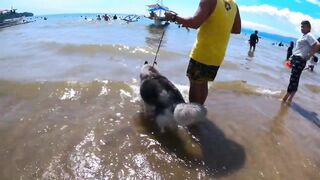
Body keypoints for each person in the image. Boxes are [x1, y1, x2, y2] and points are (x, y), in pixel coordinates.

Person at [164, 0, 241, 105]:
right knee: (203, 82)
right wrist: (218, 24)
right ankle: (199, 110)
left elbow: (194, 23)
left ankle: (193, 116)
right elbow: (237, 29)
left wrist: (173, 17)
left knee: (195, 83)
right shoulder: (234, 5)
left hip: (202, 53)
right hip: (217, 56)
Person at [282, 20, 320, 103]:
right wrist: (291, 58)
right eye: (301, 26)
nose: (302, 28)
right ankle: (289, 99)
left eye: (304, 26)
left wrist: (309, 55)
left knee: (293, 79)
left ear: (309, 27)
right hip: (296, 59)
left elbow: (317, 45)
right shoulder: (304, 36)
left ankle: (285, 98)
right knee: (295, 79)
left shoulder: (309, 35)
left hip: (300, 60)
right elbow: (299, 49)